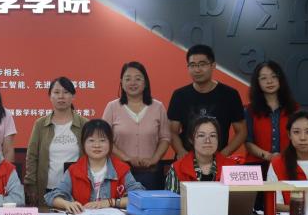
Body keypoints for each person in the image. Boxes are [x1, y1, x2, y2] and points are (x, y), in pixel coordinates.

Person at [167, 44, 247, 158]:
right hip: (187, 158)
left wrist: (224, 154)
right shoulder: (179, 95)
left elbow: (241, 131)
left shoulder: (230, 94)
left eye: (202, 64)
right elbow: (172, 131)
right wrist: (181, 152)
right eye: (192, 65)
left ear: (213, 65)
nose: (197, 70)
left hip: (217, 158)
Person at [102, 61, 170, 190]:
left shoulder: (158, 107)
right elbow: (105, 138)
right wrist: (126, 158)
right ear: (121, 82)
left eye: (138, 79)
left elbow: (165, 138)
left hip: (151, 173)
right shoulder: (112, 107)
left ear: (145, 83)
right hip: (119, 172)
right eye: (128, 79)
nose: (132, 83)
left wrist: (154, 159)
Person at [24, 77, 86, 206]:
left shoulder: (84, 124)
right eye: (56, 92)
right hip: (47, 188)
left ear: (73, 96)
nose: (61, 96)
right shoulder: (40, 124)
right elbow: (32, 156)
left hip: (76, 188)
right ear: (50, 96)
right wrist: (31, 184)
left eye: (66, 92)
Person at [165, 116, 244, 190]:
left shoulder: (232, 168)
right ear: (191, 139)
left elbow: (240, 198)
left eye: (213, 136)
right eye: (201, 135)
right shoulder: (177, 168)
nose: (208, 141)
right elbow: (172, 200)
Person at [244, 61, 298, 163]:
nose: (269, 81)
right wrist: (268, 156)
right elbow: (248, 142)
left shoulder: (293, 109)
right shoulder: (249, 110)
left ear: (280, 79)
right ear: (257, 82)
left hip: (287, 163)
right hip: (257, 165)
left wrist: (281, 158)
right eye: (263, 78)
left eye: (274, 76)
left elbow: (298, 139)